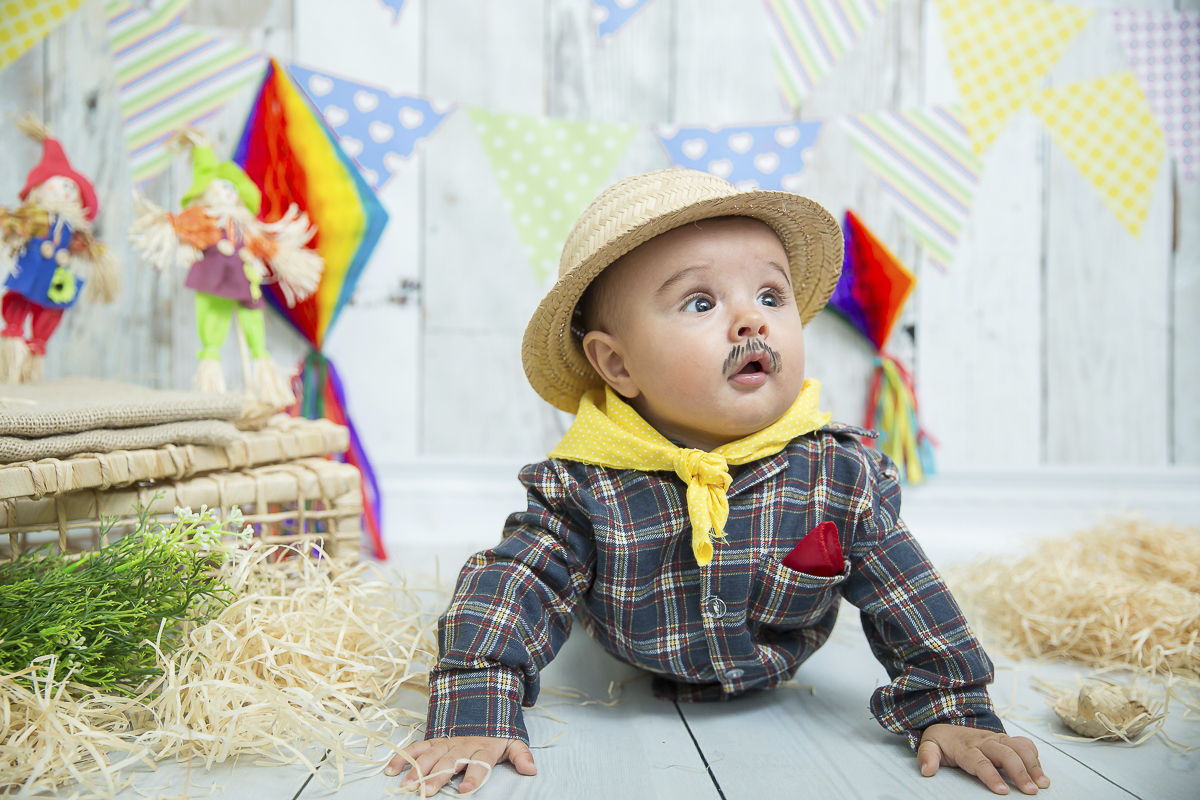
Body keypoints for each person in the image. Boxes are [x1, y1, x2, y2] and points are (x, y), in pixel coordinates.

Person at [386, 169, 1049, 796]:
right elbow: (513, 585)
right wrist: (476, 704)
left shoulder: (838, 473)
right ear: (616, 364)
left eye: (770, 295)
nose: (751, 320)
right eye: (700, 302)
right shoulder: (588, 484)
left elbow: (910, 595)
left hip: (773, 664)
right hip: (632, 651)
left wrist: (951, 704)